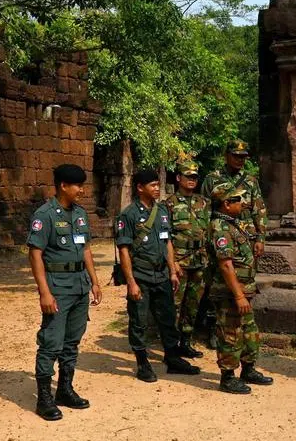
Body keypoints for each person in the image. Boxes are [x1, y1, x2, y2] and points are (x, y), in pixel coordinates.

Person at [27, 164, 103, 421]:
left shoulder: (80, 214)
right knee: (51, 342)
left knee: (72, 341)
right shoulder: (45, 215)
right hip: (58, 288)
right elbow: (35, 254)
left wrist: (94, 281)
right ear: (63, 186)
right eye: (78, 185)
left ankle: (65, 389)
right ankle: (44, 398)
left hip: (80, 286)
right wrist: (44, 293)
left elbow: (86, 250)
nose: (82, 190)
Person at [116, 169, 201, 381]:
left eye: (157, 185)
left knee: (168, 318)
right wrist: (131, 282)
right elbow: (124, 250)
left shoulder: (162, 211)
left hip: (161, 274)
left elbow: (167, 242)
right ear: (140, 188)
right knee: (139, 320)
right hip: (141, 275)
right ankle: (142, 362)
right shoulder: (129, 215)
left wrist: (172, 270)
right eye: (152, 185)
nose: (157, 189)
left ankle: (172, 358)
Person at [208, 183, 273, 394]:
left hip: (244, 290)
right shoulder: (220, 227)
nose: (243, 203)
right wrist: (238, 295)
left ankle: (248, 369)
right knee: (230, 334)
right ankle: (227, 377)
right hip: (230, 293)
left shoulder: (234, 223)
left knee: (249, 332)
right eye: (238, 200)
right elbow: (225, 264)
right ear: (226, 204)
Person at [164, 159, 209, 358]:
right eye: (188, 176)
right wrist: (172, 264)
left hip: (200, 260)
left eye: (194, 177)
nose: (192, 180)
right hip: (179, 260)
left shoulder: (203, 202)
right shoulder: (169, 204)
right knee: (175, 304)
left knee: (193, 303)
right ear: (178, 178)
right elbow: (166, 237)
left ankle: (186, 342)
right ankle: (171, 346)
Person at [202, 138, 268, 253]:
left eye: (243, 157)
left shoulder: (250, 181)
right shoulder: (212, 179)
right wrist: (205, 235)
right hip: (220, 232)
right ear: (226, 156)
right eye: (236, 156)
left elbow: (259, 211)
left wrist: (260, 238)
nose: (240, 160)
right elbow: (204, 209)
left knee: (246, 269)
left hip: (246, 233)